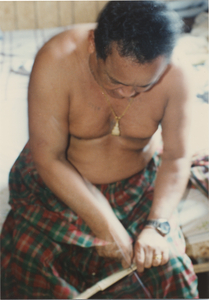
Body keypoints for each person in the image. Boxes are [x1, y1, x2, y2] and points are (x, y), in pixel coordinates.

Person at [1, 1, 198, 299]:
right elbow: (49, 157)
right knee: (32, 264)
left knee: (171, 272)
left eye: (144, 86)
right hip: (59, 186)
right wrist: (105, 224)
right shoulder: (57, 60)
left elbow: (176, 156)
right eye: (115, 81)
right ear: (95, 43)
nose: (127, 94)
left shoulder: (176, 76)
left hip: (137, 191)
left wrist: (158, 225)